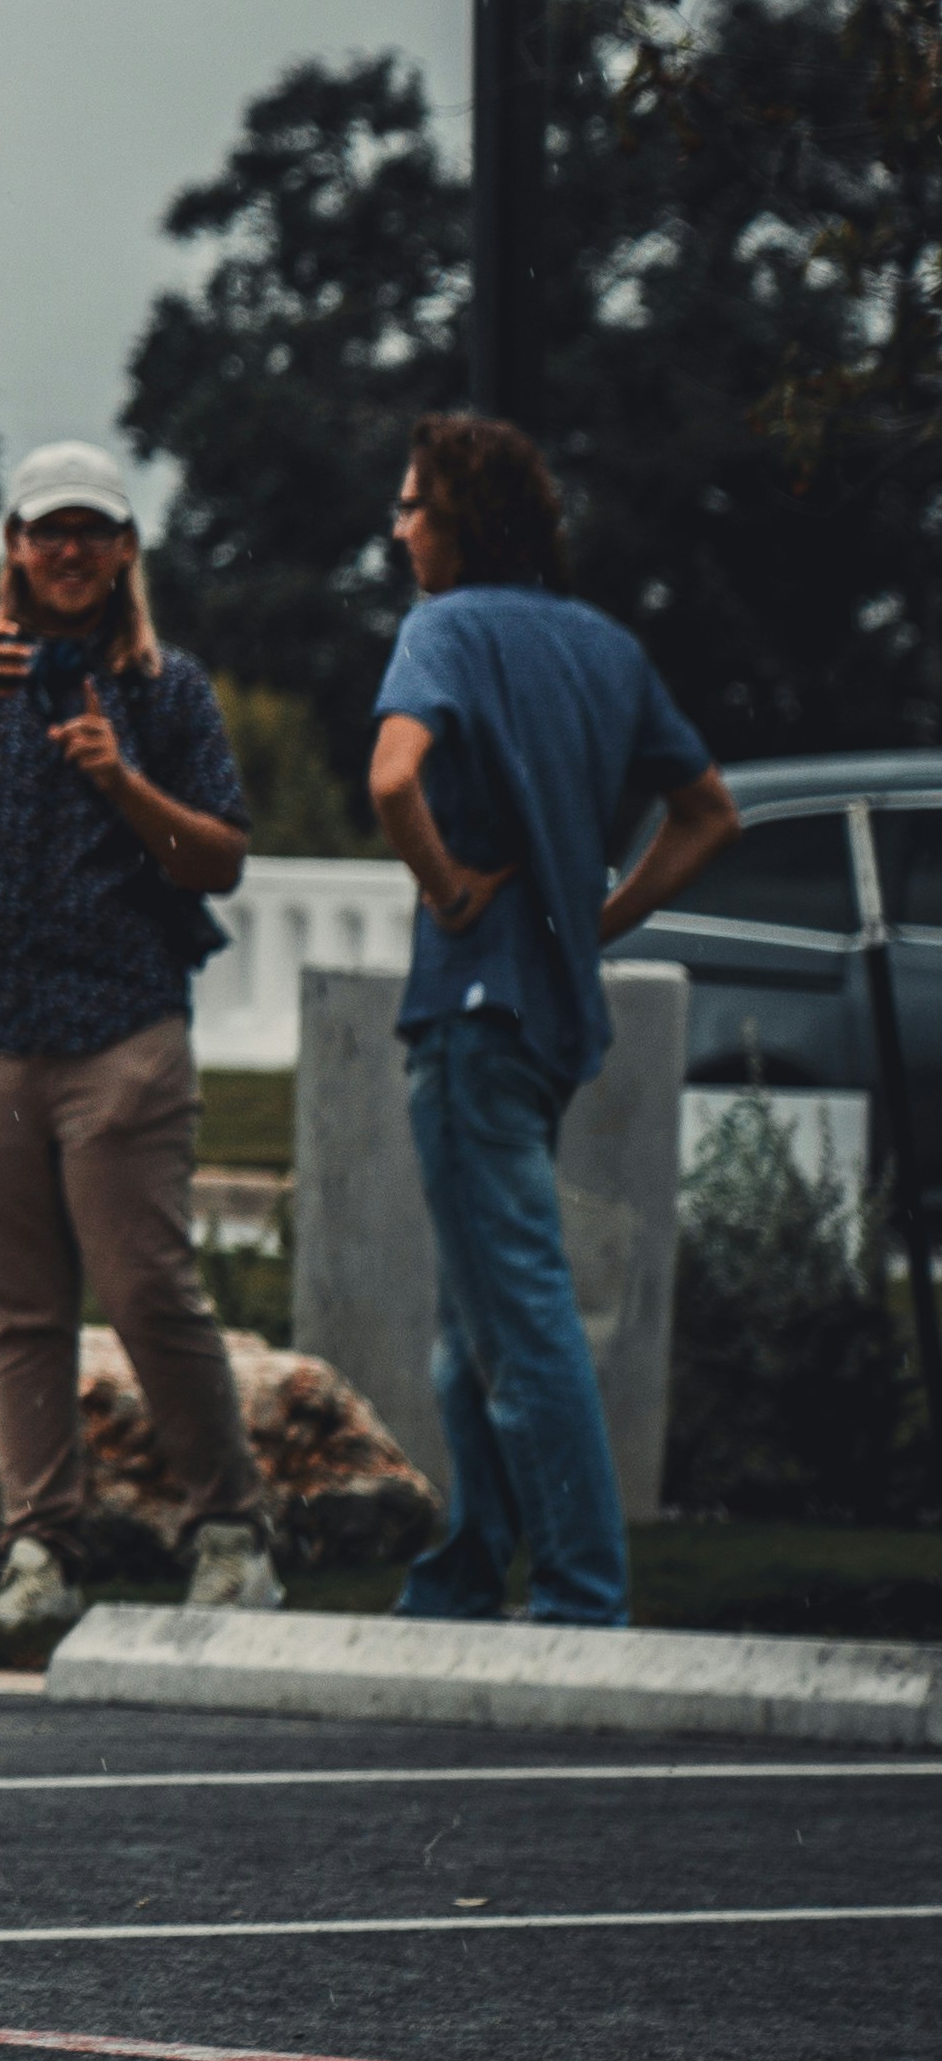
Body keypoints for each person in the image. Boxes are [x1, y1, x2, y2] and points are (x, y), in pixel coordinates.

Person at [0, 448, 273, 1660]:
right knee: (19, 1309)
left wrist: (118, 777)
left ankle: (231, 1536)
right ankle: (41, 1552)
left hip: (120, 1034)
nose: (70, 553)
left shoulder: (163, 687)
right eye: (50, 532)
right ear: (13, 545)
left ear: (127, 546)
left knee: (146, 1289)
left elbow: (219, 858)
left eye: (93, 531)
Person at [370, 409, 739, 1631]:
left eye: (413, 503)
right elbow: (705, 811)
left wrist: (444, 885)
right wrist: (600, 917)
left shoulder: (443, 627)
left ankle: (580, 1591)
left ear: (461, 517)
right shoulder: (601, 647)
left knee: (515, 1310)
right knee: (467, 1312)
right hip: (550, 1021)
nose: (397, 525)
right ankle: (465, 1568)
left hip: (470, 1011)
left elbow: (388, 775)